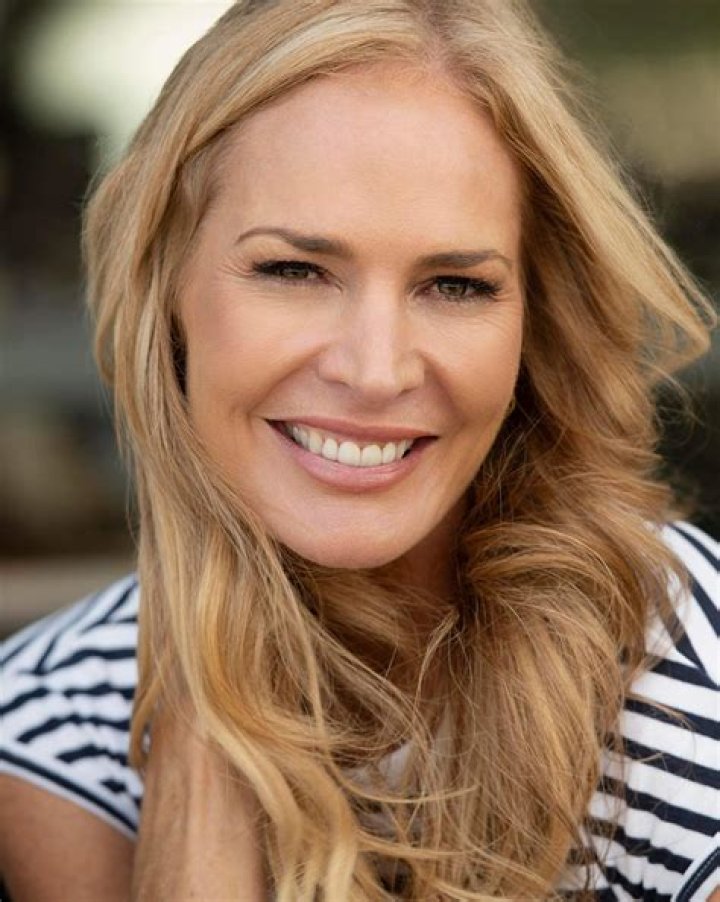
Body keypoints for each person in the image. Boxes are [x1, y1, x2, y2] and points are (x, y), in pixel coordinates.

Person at [0, 0, 717, 899]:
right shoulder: (52, 722)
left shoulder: (688, 687)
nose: (376, 371)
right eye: (294, 270)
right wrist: (210, 684)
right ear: (164, 289)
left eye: (455, 284)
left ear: (534, 321)